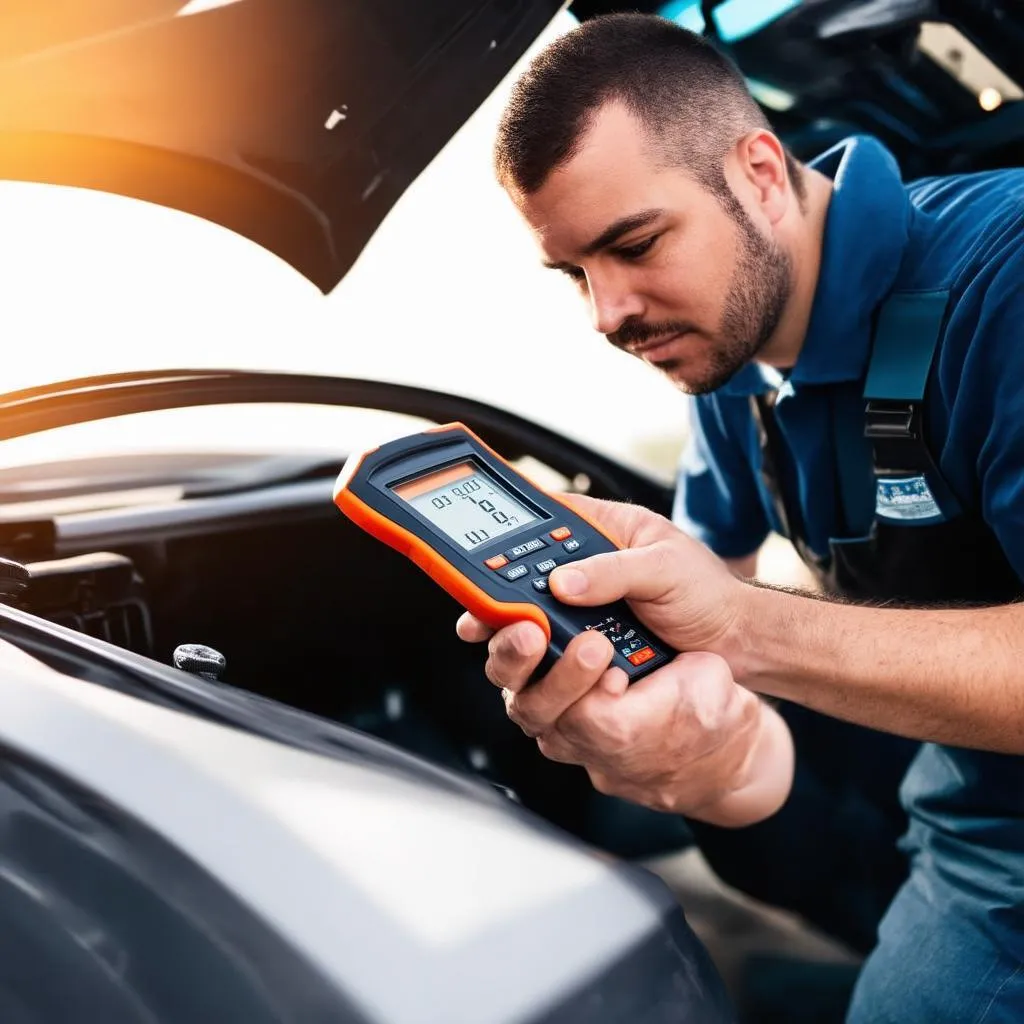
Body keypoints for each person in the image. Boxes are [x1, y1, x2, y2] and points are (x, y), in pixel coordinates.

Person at [455, 12, 1024, 1023]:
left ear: (761, 172)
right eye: (576, 272)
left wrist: (737, 627)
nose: (607, 313)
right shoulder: (727, 364)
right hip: (971, 819)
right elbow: (707, 584)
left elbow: (729, 610)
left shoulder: (1003, 280)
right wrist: (647, 699)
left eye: (633, 244)